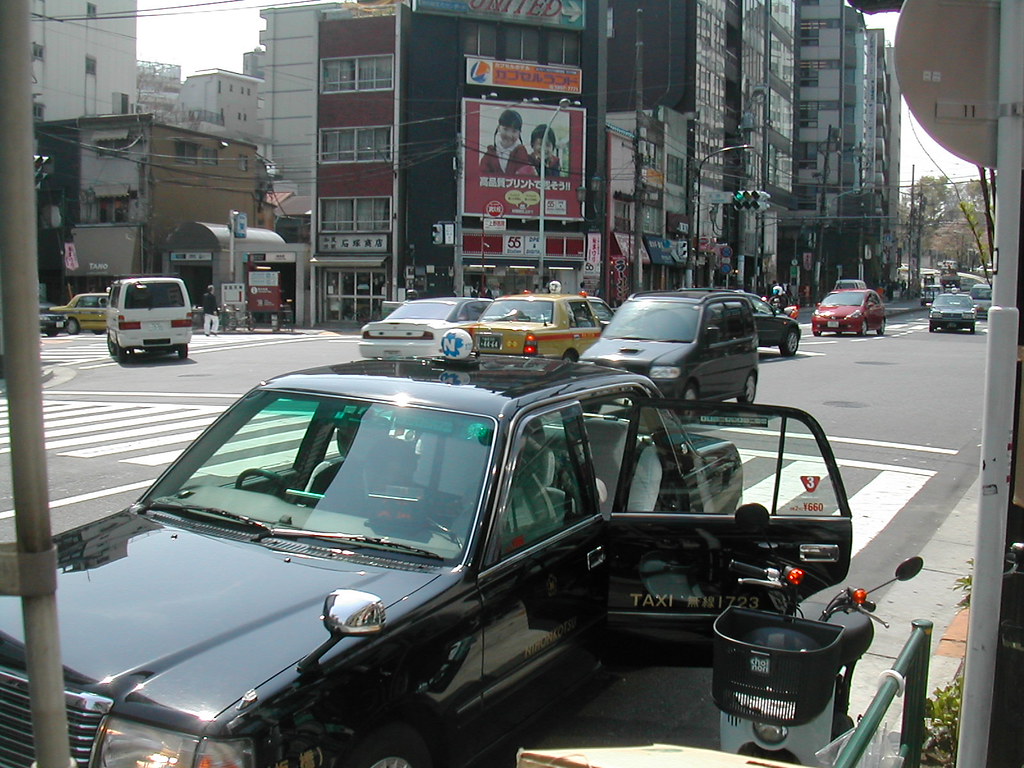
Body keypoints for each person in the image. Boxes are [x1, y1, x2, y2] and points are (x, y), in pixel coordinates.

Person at [480, 109, 532, 175]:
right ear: (498, 128)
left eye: (514, 131)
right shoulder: (490, 153)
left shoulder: (521, 152)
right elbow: (481, 176)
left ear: (519, 133)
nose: (509, 135)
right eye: (505, 129)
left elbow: (525, 176)